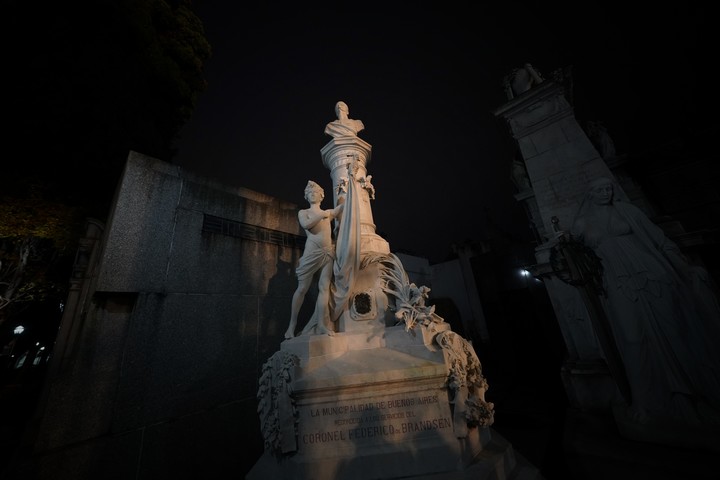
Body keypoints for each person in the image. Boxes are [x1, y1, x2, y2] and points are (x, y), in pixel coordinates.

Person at [570, 176, 720, 427]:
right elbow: (574, 255)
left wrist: (683, 266)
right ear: (590, 194)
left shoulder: (627, 211)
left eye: (608, 188)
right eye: (599, 189)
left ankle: (689, 396)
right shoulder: (582, 223)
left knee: (675, 332)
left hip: (651, 275)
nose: (605, 192)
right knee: (632, 338)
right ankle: (647, 400)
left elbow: (658, 238)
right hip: (617, 281)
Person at [284, 180, 344, 339]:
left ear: (321, 195)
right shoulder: (304, 212)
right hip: (311, 253)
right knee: (302, 288)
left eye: (314, 192)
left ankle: (322, 324)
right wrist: (324, 214)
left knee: (324, 288)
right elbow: (306, 224)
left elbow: (342, 208)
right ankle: (291, 326)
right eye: (309, 193)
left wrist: (346, 191)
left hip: (327, 253)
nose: (311, 194)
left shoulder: (328, 213)